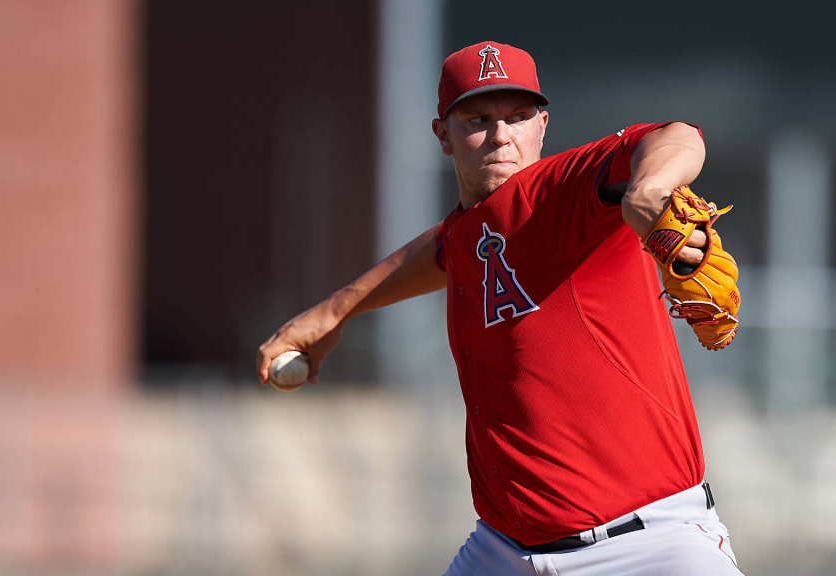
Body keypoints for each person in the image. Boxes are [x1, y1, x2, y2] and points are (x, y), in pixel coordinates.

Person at [257, 41, 743, 576]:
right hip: (504, 551)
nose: (501, 135)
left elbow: (676, 135)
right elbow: (440, 249)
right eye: (478, 118)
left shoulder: (562, 193)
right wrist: (333, 313)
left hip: (647, 547)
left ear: (543, 124)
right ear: (443, 134)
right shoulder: (470, 233)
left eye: (518, 116)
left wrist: (648, 189)